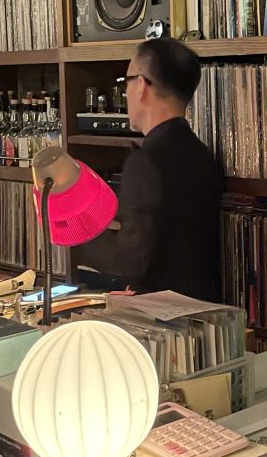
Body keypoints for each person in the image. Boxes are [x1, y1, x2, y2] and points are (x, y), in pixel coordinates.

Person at [80, 39, 221, 300]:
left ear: (142, 85)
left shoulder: (145, 162)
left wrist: (76, 225)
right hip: (201, 309)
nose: (125, 93)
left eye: (126, 82)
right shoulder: (202, 153)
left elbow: (130, 262)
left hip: (160, 316)